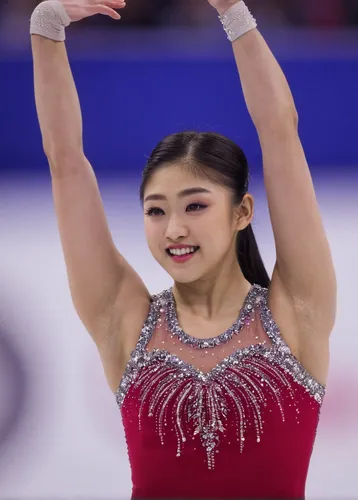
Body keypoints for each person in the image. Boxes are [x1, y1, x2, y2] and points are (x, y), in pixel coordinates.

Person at [30, 0, 337, 498]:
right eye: (156, 211)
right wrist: (47, 27)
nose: (173, 228)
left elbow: (280, 132)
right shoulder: (122, 321)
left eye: (195, 206)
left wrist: (234, 12)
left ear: (242, 212)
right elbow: (65, 161)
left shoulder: (295, 312)